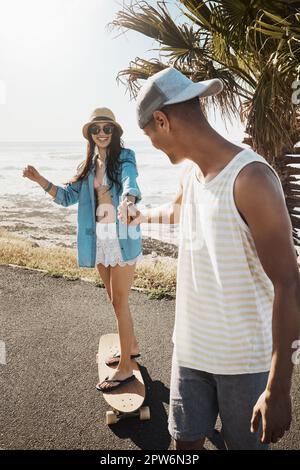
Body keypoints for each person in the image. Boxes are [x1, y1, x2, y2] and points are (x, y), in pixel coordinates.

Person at [118, 67, 300, 450]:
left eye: (149, 133)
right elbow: (180, 210)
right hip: (190, 350)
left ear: (162, 121)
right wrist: (141, 215)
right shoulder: (191, 173)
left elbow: (289, 282)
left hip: (244, 362)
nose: (152, 143)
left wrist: (279, 387)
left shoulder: (251, 179)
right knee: (184, 447)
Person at [22, 107, 143, 392]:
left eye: (107, 128)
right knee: (114, 299)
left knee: (120, 302)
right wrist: (40, 179)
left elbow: (130, 180)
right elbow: (66, 197)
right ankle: (132, 346)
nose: (101, 133)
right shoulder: (88, 166)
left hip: (122, 237)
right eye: (96, 129)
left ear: (115, 132)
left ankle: (126, 366)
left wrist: (128, 199)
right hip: (98, 239)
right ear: (90, 133)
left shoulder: (125, 157)